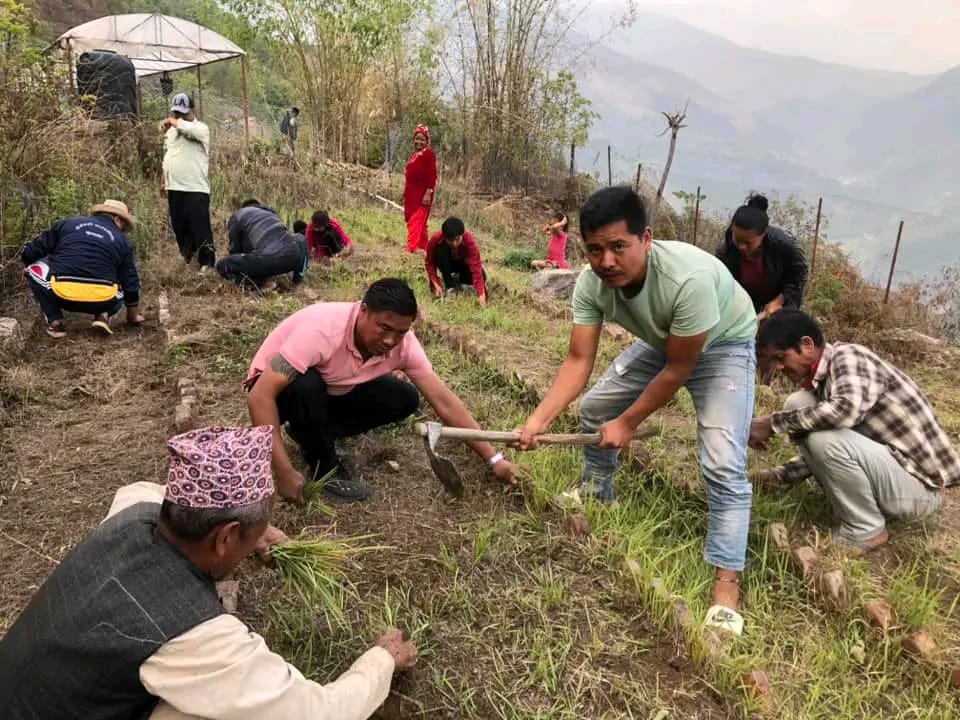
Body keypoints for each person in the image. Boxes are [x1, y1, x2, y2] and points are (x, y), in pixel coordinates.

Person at [0, 425, 418, 720]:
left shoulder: (132, 514)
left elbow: (147, 490)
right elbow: (319, 713)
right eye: (258, 525)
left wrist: (255, 534)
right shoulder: (196, 638)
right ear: (224, 537)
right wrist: (381, 661)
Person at [515, 186, 757, 636]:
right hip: (666, 337)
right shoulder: (591, 285)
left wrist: (627, 424)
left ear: (646, 239)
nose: (606, 261)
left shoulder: (688, 279)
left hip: (723, 345)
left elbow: (680, 368)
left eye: (618, 247)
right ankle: (597, 489)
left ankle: (727, 583)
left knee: (722, 462)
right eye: (595, 250)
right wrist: (539, 419)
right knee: (595, 408)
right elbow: (577, 360)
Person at [245, 278, 514, 503]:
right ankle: (324, 466)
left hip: (334, 387)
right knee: (306, 383)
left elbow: (444, 401)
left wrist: (494, 459)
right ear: (363, 311)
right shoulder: (322, 331)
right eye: (384, 328)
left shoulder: (403, 344)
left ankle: (311, 431)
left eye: (400, 332)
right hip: (280, 394)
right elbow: (260, 396)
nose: (390, 341)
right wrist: (283, 472)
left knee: (405, 398)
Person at [749, 309, 957, 554]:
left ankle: (866, 529)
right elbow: (842, 441)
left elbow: (845, 413)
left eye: (781, 357)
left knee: (820, 432)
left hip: (920, 490)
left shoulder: (849, 357)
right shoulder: (823, 379)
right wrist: (782, 475)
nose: (779, 367)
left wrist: (772, 423)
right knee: (799, 405)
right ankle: (858, 512)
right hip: (892, 473)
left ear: (807, 345)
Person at [21, 199, 145, 338]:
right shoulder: (123, 241)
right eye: (123, 225)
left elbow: (31, 251)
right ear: (117, 219)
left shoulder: (66, 224)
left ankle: (55, 321)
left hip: (62, 295)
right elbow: (131, 283)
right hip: (102, 299)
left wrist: (27, 265)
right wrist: (132, 317)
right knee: (123, 280)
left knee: (34, 269)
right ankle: (103, 315)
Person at [715, 194, 808, 318]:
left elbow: (799, 275)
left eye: (748, 243)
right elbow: (724, 286)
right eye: (737, 240)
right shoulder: (725, 252)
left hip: (781, 301)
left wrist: (779, 301)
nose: (742, 247)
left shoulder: (784, 245)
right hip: (747, 303)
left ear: (763, 235)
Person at [161, 92, 215, 273]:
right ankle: (190, 260)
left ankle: (207, 262)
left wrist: (173, 121)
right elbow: (167, 157)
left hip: (195, 188)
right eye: (177, 113)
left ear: (193, 111)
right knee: (180, 227)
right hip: (174, 187)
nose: (180, 116)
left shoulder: (201, 129)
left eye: (184, 113)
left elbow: (188, 129)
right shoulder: (171, 132)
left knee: (200, 227)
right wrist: (163, 180)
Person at [216, 200, 308, 289]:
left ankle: (261, 283)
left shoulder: (238, 215)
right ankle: (298, 280)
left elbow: (235, 248)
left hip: (265, 260)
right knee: (300, 237)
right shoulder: (271, 213)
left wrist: (242, 261)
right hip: (292, 257)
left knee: (222, 265)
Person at [425, 217, 488, 305]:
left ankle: (457, 279)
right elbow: (429, 263)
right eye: (450, 240)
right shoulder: (435, 239)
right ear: (445, 236)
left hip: (463, 265)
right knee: (440, 251)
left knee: (482, 275)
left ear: (462, 235)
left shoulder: (469, 240)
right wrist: (436, 283)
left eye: (457, 239)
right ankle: (450, 286)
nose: (454, 243)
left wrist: (481, 294)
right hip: (446, 264)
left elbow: (476, 266)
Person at [403, 124, 437, 253]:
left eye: (422, 139)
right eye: (417, 139)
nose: (419, 142)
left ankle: (411, 249)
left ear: (427, 141)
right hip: (412, 193)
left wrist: (428, 192)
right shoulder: (415, 155)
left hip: (423, 194)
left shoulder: (428, 155)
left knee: (416, 220)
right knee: (419, 222)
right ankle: (424, 247)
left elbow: (432, 176)